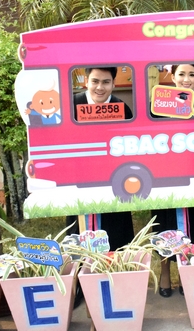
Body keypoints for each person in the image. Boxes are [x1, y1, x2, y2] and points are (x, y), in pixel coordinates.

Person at [150, 63, 194, 297]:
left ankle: (191, 273)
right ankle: (165, 274)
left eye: (192, 75)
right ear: (172, 76)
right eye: (181, 74)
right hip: (165, 174)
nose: (186, 79)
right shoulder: (158, 104)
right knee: (164, 224)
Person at [67, 67, 134, 250]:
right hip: (79, 181)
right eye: (95, 81)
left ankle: (116, 266)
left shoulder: (122, 109)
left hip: (113, 182)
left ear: (114, 83)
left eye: (106, 82)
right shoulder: (70, 105)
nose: (100, 87)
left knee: (116, 235)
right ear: (86, 81)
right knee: (78, 235)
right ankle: (81, 268)